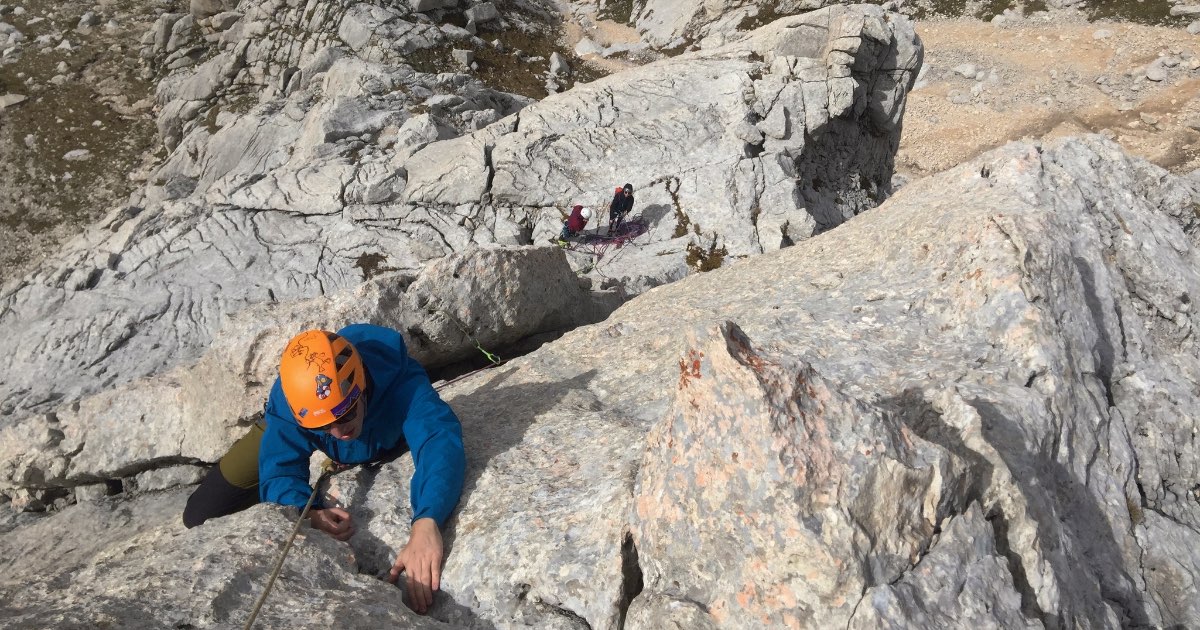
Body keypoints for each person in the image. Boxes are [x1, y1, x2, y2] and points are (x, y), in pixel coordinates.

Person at [182, 324, 465, 614]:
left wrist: (427, 521)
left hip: (363, 417)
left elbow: (438, 441)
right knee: (199, 513)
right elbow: (281, 467)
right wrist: (308, 509)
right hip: (285, 424)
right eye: (323, 427)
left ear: (361, 388)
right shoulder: (290, 403)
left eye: (345, 414)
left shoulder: (399, 381)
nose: (339, 431)